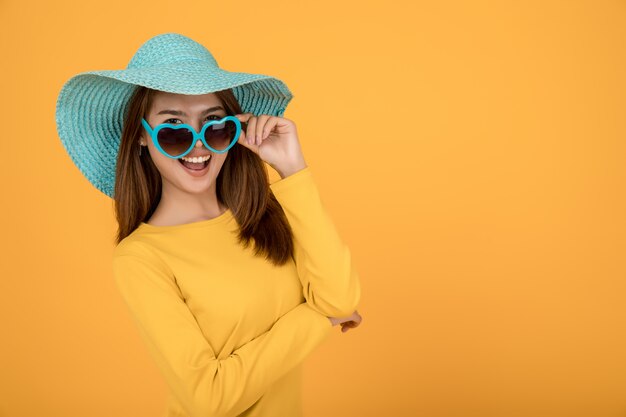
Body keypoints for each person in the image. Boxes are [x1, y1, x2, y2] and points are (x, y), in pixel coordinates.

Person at [55, 32, 362, 417]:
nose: (198, 146)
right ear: (141, 138)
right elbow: (208, 397)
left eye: (215, 126)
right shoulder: (142, 258)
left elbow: (341, 298)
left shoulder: (266, 213)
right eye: (173, 130)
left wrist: (292, 168)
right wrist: (318, 319)